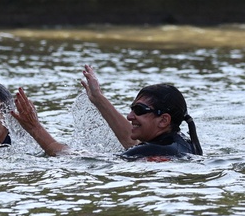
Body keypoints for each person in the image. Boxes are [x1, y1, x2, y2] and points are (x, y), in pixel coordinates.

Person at [12, 65, 204, 159]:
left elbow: (72, 157)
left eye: (139, 110)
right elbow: (131, 142)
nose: (130, 116)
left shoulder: (151, 153)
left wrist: (34, 127)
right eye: (131, 109)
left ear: (163, 120)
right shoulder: (184, 144)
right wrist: (98, 99)